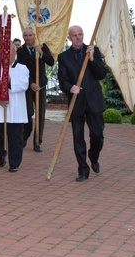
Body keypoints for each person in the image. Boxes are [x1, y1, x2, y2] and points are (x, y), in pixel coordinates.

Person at [57, 25, 107, 182]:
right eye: (74, 35)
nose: (78, 37)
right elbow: (62, 79)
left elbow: (101, 75)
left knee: (97, 134)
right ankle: (83, 169)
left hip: (94, 100)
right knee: (78, 137)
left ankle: (93, 157)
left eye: (80, 34)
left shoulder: (92, 51)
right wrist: (70, 87)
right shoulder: (64, 57)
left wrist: (92, 59)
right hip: (76, 102)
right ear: (69, 38)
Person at [0, 43, 29, 172]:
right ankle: (1, 153)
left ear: (14, 53)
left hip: (15, 107)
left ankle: (14, 163)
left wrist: (9, 80)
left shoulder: (22, 68)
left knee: (15, 137)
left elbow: (23, 85)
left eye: (8, 52)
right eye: (3, 52)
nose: (5, 55)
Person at [16, 26, 55, 152]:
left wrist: (42, 54)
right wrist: (31, 83)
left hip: (41, 85)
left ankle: (37, 141)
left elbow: (51, 62)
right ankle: (25, 135)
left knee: (40, 113)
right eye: (25, 36)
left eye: (30, 35)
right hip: (27, 85)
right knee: (27, 113)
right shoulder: (20, 51)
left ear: (34, 36)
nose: (28, 38)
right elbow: (21, 69)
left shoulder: (42, 46)